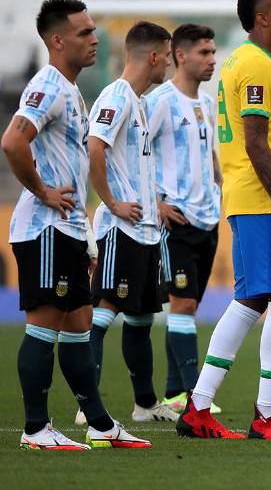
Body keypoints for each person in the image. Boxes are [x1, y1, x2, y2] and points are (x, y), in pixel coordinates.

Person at [5, 0, 150, 449]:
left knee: (79, 326)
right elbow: (13, 142)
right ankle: (35, 429)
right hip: (44, 228)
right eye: (84, 32)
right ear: (57, 39)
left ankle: (102, 425)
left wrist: (84, 237)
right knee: (44, 327)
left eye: (93, 30)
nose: (94, 39)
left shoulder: (70, 89)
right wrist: (43, 192)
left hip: (67, 229)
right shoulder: (47, 84)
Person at [177, 0, 271, 440]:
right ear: (263, 18)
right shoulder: (256, 65)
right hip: (261, 201)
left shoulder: (239, 60)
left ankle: (199, 406)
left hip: (245, 197)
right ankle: (266, 416)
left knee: (255, 298)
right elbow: (256, 143)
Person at [86, 21, 178, 424]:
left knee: (140, 318)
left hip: (144, 230)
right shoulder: (117, 96)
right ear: (154, 56)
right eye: (169, 57)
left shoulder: (139, 102)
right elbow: (95, 147)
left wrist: (152, 202)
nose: (170, 67)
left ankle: (144, 404)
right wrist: (112, 203)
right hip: (120, 229)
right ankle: (87, 405)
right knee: (103, 313)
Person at [143, 24, 223, 415]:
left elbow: (210, 157)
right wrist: (155, 202)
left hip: (208, 218)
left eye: (213, 52)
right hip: (175, 218)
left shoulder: (207, 104)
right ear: (181, 55)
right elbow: (135, 152)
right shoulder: (160, 100)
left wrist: (219, 186)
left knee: (186, 307)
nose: (212, 60)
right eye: (204, 53)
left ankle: (175, 395)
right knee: (184, 304)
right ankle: (194, 398)